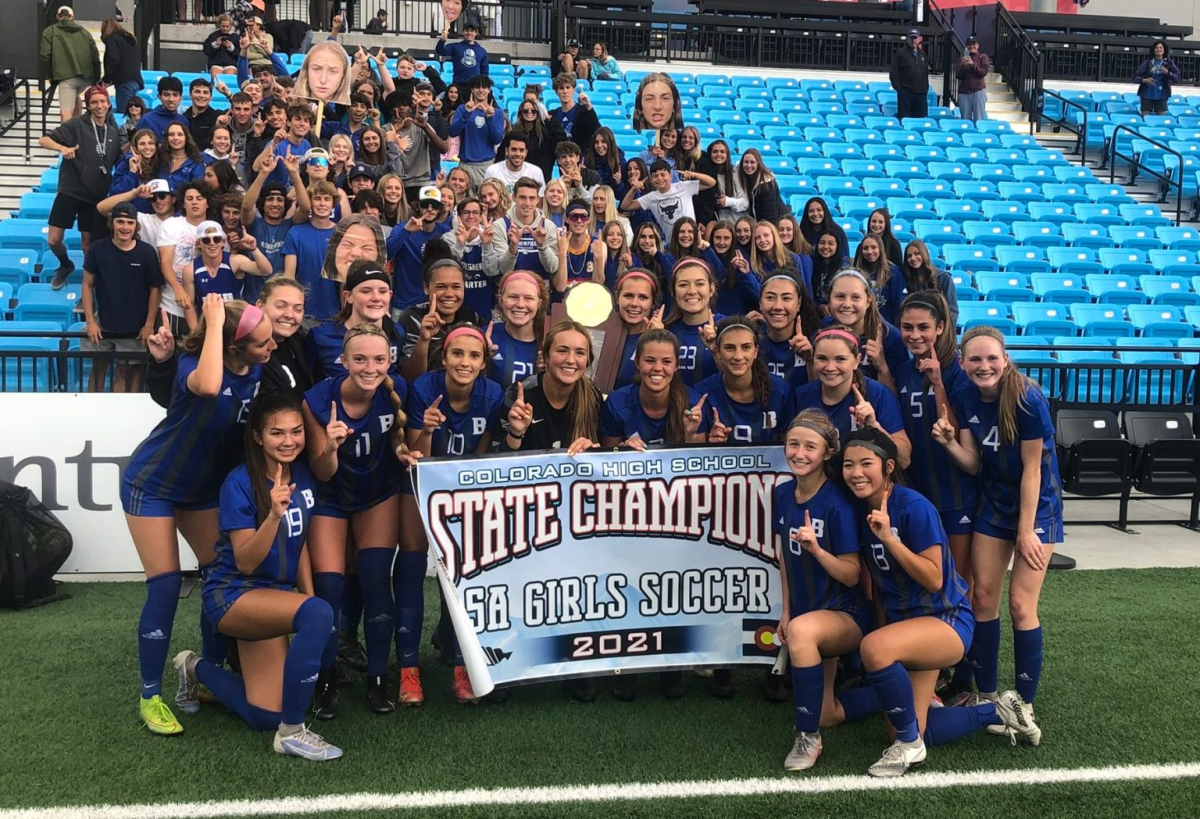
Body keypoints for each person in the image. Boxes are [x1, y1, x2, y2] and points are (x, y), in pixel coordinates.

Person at [121, 295, 276, 735]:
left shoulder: (258, 369)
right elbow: (209, 386)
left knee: (220, 576)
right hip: (151, 484)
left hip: (200, 491)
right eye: (261, 342)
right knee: (167, 585)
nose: (271, 348)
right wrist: (210, 322)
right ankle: (150, 695)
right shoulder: (196, 366)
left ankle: (198, 671)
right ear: (231, 347)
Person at [842, 427, 1029, 777]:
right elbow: (881, 587)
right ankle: (1000, 711)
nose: (855, 472)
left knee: (875, 649)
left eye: (866, 463)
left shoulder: (913, 506)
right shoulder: (859, 512)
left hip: (947, 620)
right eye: (848, 464)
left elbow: (934, 578)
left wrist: (890, 540)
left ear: (888, 466)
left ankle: (909, 749)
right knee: (911, 725)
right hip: (909, 627)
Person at [173, 391, 342, 761]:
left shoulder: (303, 475)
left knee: (265, 714)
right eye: (277, 433)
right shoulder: (238, 484)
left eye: (296, 432)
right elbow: (246, 562)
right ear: (258, 437)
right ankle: (292, 733)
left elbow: (299, 545)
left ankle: (193, 666)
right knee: (317, 614)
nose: (289, 441)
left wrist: (311, 597)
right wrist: (272, 516)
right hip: (234, 595)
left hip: (274, 598)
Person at [934, 326, 1061, 746]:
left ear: (1005, 360)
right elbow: (972, 463)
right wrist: (951, 444)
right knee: (982, 599)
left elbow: (1033, 470)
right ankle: (988, 696)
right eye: (975, 359)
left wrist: (1026, 531)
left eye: (991, 358)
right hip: (993, 503)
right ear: (965, 364)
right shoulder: (966, 395)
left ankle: (1024, 702)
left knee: (1021, 605)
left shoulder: (1027, 397)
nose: (984, 365)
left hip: (1035, 506)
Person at [302, 320, 414, 718]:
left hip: (376, 496)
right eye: (361, 359)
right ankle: (326, 677)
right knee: (328, 589)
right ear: (343, 360)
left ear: (390, 361)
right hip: (331, 498)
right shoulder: (318, 399)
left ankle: (378, 678)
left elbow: (397, 437)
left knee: (375, 582)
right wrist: (330, 446)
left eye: (379, 359)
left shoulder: (395, 389)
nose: (370, 367)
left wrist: (401, 451)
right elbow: (323, 471)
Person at [401, 323, 505, 705]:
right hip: (419, 484)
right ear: (443, 357)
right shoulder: (424, 389)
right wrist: (426, 429)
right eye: (457, 354)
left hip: (462, 491)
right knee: (411, 568)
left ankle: (464, 666)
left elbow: (481, 454)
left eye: (474, 355)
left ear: (483, 363)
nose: (465, 361)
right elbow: (415, 456)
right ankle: (408, 670)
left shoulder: (492, 393)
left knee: (465, 577)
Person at [772, 409, 872, 771]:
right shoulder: (783, 494)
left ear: (828, 453)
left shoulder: (837, 504)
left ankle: (807, 737)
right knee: (828, 712)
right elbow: (784, 556)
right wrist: (786, 610)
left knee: (802, 632)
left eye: (809, 447)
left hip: (846, 613)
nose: (799, 453)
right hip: (809, 611)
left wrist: (817, 549)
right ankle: (902, 690)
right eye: (793, 444)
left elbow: (851, 574)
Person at [890, 292, 975, 701]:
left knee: (958, 584)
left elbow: (957, 433)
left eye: (924, 327)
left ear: (941, 328)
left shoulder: (958, 372)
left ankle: (965, 675)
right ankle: (933, 670)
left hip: (955, 494)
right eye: (907, 327)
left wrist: (940, 382)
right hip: (919, 494)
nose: (915, 335)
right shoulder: (904, 370)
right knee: (926, 583)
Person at [38, 85, 123, 289]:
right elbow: (43, 139)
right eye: (94, 102)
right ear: (88, 105)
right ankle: (65, 264)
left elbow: (118, 159)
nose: (99, 106)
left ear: (109, 104)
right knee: (53, 240)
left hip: (95, 195)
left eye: (102, 101)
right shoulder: (76, 125)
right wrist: (62, 148)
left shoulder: (112, 132)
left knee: (88, 244)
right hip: (71, 190)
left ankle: (89, 286)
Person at [793, 327, 910, 468]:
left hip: (863, 483)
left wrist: (875, 427)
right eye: (822, 358)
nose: (830, 367)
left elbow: (904, 460)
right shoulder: (802, 396)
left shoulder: (877, 395)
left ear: (856, 360)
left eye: (840, 359)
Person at [80, 201, 161, 392]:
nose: (125, 227)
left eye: (129, 222)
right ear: (112, 224)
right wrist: (91, 321)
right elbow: (87, 284)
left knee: (126, 372)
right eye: (120, 222)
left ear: (136, 226)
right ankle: (91, 412)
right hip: (104, 321)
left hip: (135, 325)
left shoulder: (147, 252)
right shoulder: (97, 248)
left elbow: (155, 290)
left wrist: (149, 324)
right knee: (98, 369)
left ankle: (122, 418)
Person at [698, 316, 794, 444]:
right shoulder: (703, 394)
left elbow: (789, 445)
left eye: (746, 347)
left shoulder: (780, 391)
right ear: (718, 352)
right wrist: (711, 445)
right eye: (729, 348)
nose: (738, 356)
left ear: (756, 351)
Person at [396, 251, 487, 382]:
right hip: (423, 395)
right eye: (441, 287)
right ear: (426, 288)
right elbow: (410, 378)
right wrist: (424, 340)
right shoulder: (413, 317)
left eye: (456, 287)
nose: (449, 293)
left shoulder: (471, 318)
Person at [241, 153, 312, 302]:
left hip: (281, 299)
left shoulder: (291, 226)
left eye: (280, 200)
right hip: (253, 299)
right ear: (262, 203)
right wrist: (263, 173)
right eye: (270, 199)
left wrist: (294, 173)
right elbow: (247, 206)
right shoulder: (254, 224)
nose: (275, 204)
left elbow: (305, 208)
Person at [823, 269, 909, 387]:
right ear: (829, 300)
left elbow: (899, 396)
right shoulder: (822, 330)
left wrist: (882, 367)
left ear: (868, 301)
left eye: (856, 297)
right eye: (840, 296)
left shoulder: (890, 337)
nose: (847, 304)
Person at [387, 186, 454, 312]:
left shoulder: (445, 231)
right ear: (417, 206)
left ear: (440, 208)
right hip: (405, 303)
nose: (429, 209)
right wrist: (406, 231)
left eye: (434, 205)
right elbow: (387, 252)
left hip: (435, 303)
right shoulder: (402, 227)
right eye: (425, 205)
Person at [282, 182, 340, 320]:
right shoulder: (295, 233)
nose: (322, 204)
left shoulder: (342, 233)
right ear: (310, 202)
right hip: (303, 313)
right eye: (317, 198)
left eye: (327, 199)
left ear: (333, 204)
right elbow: (289, 276)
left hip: (336, 313)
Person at [186, 221, 272, 313]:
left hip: (234, 323)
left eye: (216, 239)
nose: (212, 243)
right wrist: (196, 328)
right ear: (198, 243)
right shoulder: (190, 270)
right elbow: (189, 306)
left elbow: (266, 270)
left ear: (223, 242)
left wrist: (254, 249)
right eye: (206, 240)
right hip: (207, 323)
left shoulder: (235, 261)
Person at [485, 177, 560, 283]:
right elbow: (504, 270)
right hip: (510, 290)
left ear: (538, 200)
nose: (527, 203)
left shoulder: (548, 226)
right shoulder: (500, 225)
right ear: (514, 198)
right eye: (522, 197)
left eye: (532, 198)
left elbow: (552, 268)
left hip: (539, 291)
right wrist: (513, 246)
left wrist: (542, 246)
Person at [621, 159, 716, 241]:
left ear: (670, 176)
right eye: (655, 176)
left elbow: (711, 183)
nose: (659, 178)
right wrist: (633, 190)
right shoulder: (651, 197)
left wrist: (693, 174)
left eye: (663, 175)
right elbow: (625, 206)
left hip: (692, 239)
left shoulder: (684, 186)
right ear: (651, 180)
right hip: (672, 244)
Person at [664, 258, 721, 387]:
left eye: (699, 284)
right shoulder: (666, 331)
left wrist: (717, 351)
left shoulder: (728, 328)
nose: (691, 291)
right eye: (683, 285)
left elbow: (741, 382)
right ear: (673, 292)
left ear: (711, 289)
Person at [758, 270, 819, 389]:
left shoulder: (816, 342)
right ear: (760, 302)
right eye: (770, 298)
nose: (778, 307)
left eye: (786, 298)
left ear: (799, 303)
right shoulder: (750, 342)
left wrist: (810, 361)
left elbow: (821, 395)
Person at [486, 269, 547, 386]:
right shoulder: (484, 337)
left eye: (528, 298)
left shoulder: (549, 343)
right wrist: (479, 357)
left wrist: (553, 371)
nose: (520, 304)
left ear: (539, 304)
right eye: (513, 297)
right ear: (501, 300)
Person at [39, 5, 101, 123]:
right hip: (86, 77)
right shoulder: (85, 32)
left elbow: (45, 56)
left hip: (66, 77)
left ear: (58, 16)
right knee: (75, 95)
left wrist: (50, 75)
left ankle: (68, 137)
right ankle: (77, 125)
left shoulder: (50, 31)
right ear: (72, 17)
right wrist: (96, 80)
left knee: (65, 112)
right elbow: (95, 57)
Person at [449, 75, 505, 189]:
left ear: (489, 90)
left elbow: (497, 139)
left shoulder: (497, 113)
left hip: (486, 165)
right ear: (472, 90)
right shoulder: (462, 109)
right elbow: (453, 132)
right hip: (465, 164)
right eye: (477, 87)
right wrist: (467, 113)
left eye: (484, 87)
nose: (481, 90)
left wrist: (489, 118)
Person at [550, 73, 600, 156]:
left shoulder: (584, 111)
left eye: (568, 87)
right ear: (556, 92)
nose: (565, 91)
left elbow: (597, 130)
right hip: (561, 158)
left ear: (573, 90)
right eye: (561, 88)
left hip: (581, 159)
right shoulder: (552, 115)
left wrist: (588, 106)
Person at [101, 17, 142, 115]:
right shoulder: (130, 40)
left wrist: (107, 79)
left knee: (123, 114)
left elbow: (113, 59)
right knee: (132, 113)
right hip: (135, 80)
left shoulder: (112, 39)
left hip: (124, 82)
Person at [296, 39, 352, 106]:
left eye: (332, 71)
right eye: (316, 69)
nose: (323, 80)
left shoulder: (348, 114)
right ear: (306, 71)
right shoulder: (289, 110)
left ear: (343, 76)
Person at [1134, 40, 1182, 116]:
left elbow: (1178, 78)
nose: (1158, 49)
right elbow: (1135, 77)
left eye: (1160, 48)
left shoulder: (1169, 63)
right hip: (1147, 93)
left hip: (1162, 94)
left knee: (1161, 116)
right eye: (1156, 48)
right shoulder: (1148, 62)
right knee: (1145, 115)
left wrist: (1167, 72)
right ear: (1153, 50)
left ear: (1164, 50)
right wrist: (1144, 80)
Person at [890, 29, 930, 121]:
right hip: (906, 93)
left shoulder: (923, 54)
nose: (913, 40)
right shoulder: (901, 53)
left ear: (919, 39)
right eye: (911, 38)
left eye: (915, 38)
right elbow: (894, 73)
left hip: (921, 93)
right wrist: (900, 89)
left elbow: (925, 73)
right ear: (907, 39)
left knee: (920, 120)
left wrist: (925, 88)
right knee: (905, 119)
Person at [437, 20, 489, 89]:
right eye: (467, 30)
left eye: (472, 31)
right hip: (458, 85)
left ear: (476, 33)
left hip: (474, 87)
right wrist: (442, 41)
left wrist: (483, 86)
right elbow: (440, 51)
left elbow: (484, 71)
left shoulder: (482, 51)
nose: (469, 33)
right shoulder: (455, 47)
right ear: (463, 32)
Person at [738, 149, 787, 223]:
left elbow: (770, 216)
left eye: (752, 162)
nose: (748, 165)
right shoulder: (744, 178)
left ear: (758, 163)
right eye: (746, 162)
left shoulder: (767, 184)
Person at [956, 36, 990, 123]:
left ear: (977, 45)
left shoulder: (983, 56)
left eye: (973, 44)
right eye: (969, 45)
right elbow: (958, 75)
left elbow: (982, 73)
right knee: (965, 120)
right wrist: (963, 65)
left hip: (978, 90)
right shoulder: (962, 58)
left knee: (979, 119)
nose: (972, 46)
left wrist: (972, 64)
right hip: (964, 91)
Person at [186, 78, 222, 152]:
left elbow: (239, 110)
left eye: (205, 92)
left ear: (211, 97)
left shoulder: (217, 116)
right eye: (197, 92)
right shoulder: (183, 117)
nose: (201, 95)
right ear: (190, 95)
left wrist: (228, 94)